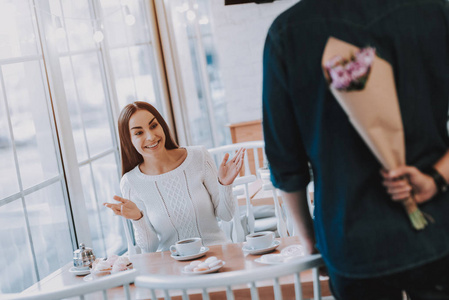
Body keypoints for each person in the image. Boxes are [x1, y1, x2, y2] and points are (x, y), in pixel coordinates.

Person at [262, 0, 449, 299]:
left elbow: (285, 159)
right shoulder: (434, 10)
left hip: (349, 237)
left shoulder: (287, 32)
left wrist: (310, 239)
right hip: (439, 227)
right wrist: (436, 179)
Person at [104, 101, 245, 252]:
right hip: (174, 266)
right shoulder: (130, 182)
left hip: (217, 255)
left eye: (153, 126)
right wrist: (138, 218)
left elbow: (226, 215)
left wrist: (225, 184)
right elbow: (150, 248)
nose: (151, 136)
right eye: (139, 133)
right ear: (129, 141)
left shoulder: (199, 156)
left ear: (162, 125)